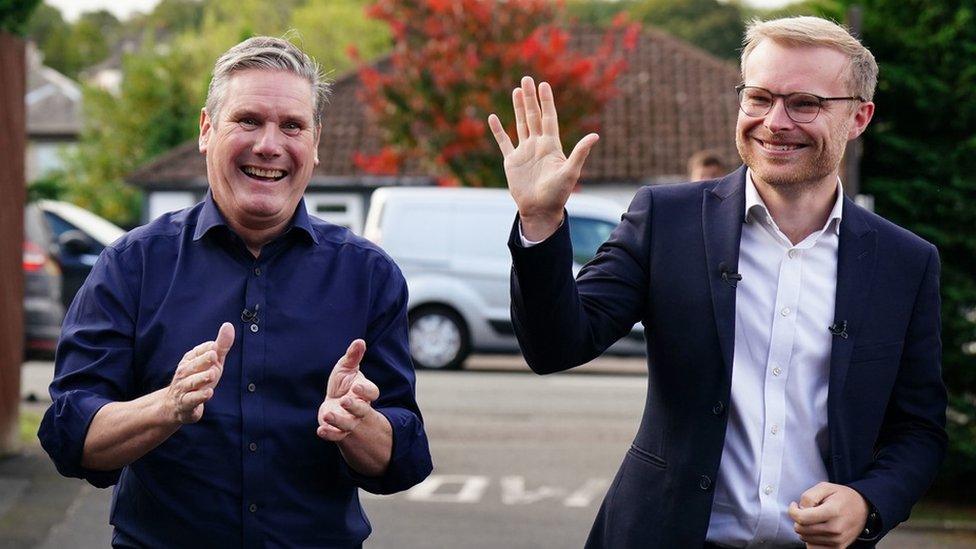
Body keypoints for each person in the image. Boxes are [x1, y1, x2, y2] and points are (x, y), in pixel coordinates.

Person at [488, 16, 946, 548]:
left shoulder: (905, 262)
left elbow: (919, 431)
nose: (775, 121)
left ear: (860, 116)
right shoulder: (667, 220)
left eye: (805, 103)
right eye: (759, 98)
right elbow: (555, 347)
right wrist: (542, 222)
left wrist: (868, 502)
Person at [39, 36, 432, 547]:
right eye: (248, 120)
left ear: (314, 143)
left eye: (291, 126)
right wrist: (169, 406)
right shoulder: (131, 266)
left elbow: (405, 457)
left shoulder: (368, 276)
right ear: (207, 130)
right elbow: (71, 437)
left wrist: (359, 425)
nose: (269, 145)